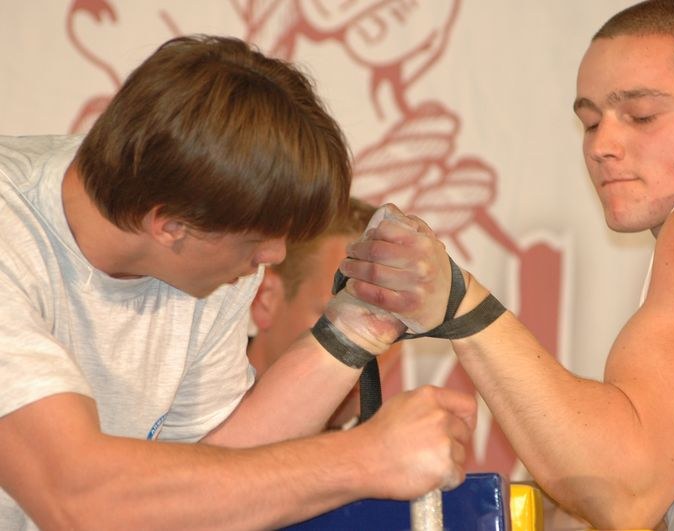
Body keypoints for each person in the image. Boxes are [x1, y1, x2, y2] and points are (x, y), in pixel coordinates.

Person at [337, 0, 674, 528]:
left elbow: (622, 487)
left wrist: (460, 302)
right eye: (589, 121)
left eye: (642, 115)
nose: (603, 144)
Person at [0, 34, 476, 529]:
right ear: (169, 226)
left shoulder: (194, 221)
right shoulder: (10, 234)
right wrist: (362, 459)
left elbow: (215, 475)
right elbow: (76, 497)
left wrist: (357, 324)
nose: (274, 257)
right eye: (256, 242)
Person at [248, 197, 402, 427]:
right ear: (266, 299)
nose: (368, 346)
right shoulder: (184, 421)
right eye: (343, 321)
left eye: (391, 327)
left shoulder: (387, 456)